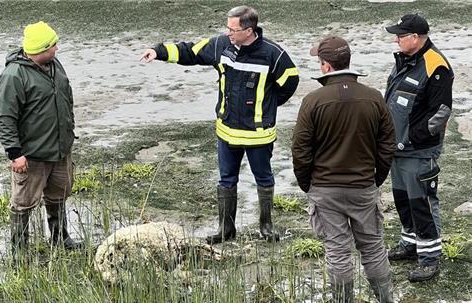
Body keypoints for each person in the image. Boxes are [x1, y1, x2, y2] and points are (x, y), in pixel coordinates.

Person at [140, 6, 299, 243]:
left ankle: (266, 227)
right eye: (227, 28)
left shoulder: (273, 54)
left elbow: (290, 81)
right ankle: (226, 229)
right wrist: (158, 51)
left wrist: (268, 105)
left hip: (258, 136)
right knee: (226, 181)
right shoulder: (221, 45)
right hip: (226, 133)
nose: (228, 33)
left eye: (232, 29)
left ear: (249, 30)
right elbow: (190, 52)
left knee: (264, 179)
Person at [292, 36, 396, 302]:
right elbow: (387, 145)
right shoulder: (373, 98)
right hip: (362, 187)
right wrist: (376, 179)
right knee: (373, 248)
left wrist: (308, 185)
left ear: (326, 66)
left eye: (319, 61)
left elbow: (300, 150)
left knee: (338, 253)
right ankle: (386, 299)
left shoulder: (313, 100)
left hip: (325, 190)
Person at [0, 21, 83, 264]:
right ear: (40, 49)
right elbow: (5, 117)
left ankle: (59, 238)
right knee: (23, 204)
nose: (57, 48)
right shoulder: (14, 75)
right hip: (31, 155)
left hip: (60, 149)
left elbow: (66, 97)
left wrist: (69, 131)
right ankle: (19, 251)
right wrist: (15, 154)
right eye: (53, 45)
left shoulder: (55, 64)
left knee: (58, 195)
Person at [384, 14, 453, 282]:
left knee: (421, 202)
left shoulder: (435, 65)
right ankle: (410, 244)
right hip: (397, 149)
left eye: (401, 35)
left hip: (419, 151)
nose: (396, 39)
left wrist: (412, 138)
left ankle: (429, 258)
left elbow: (441, 112)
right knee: (403, 200)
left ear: (416, 37)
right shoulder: (405, 60)